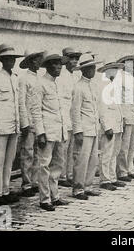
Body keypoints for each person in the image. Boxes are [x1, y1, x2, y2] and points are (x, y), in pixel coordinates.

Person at [30, 50, 71, 211]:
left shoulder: (57, 84)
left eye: (59, 64)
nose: (58, 67)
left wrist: (64, 130)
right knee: (44, 165)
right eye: (54, 64)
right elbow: (36, 110)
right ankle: (44, 199)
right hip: (46, 132)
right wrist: (40, 132)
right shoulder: (40, 84)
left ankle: (55, 196)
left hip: (59, 130)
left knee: (58, 165)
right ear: (46, 66)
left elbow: (62, 109)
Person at [0, 44, 23, 206]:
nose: (11, 62)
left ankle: (5, 191)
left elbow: (17, 104)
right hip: (0, 126)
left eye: (12, 59)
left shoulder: (15, 78)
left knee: (9, 161)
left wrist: (20, 124)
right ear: (2, 61)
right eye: (7, 59)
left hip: (13, 125)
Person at [71, 54, 103, 200]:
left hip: (94, 127)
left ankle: (88, 185)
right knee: (82, 160)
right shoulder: (78, 87)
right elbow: (75, 111)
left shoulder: (93, 86)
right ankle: (78, 188)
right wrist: (78, 130)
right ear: (83, 70)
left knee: (93, 159)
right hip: (84, 128)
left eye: (94, 67)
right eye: (89, 68)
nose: (93, 70)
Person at [18, 49, 43, 197]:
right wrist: (24, 123)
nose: (41, 62)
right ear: (33, 61)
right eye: (38, 59)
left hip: (38, 120)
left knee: (37, 153)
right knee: (27, 153)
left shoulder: (38, 79)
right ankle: (26, 184)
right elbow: (22, 102)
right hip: (28, 120)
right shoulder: (24, 79)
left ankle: (34, 182)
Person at [97, 62, 126, 191]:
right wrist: (107, 127)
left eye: (116, 70)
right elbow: (102, 109)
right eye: (113, 70)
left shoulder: (114, 86)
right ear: (107, 71)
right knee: (106, 153)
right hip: (109, 125)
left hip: (117, 124)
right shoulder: (103, 87)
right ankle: (105, 179)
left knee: (114, 152)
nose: (115, 72)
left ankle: (112, 177)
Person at [57, 47, 82, 188]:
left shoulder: (76, 76)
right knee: (63, 149)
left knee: (73, 149)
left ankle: (70, 174)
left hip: (74, 116)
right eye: (71, 58)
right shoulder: (61, 76)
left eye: (76, 59)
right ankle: (61, 176)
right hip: (64, 116)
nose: (74, 61)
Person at [117, 55, 134, 182]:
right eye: (130, 65)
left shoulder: (132, 79)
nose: (133, 68)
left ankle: (129, 168)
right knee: (124, 146)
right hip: (126, 115)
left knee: (132, 145)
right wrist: (122, 116)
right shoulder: (120, 78)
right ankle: (122, 171)